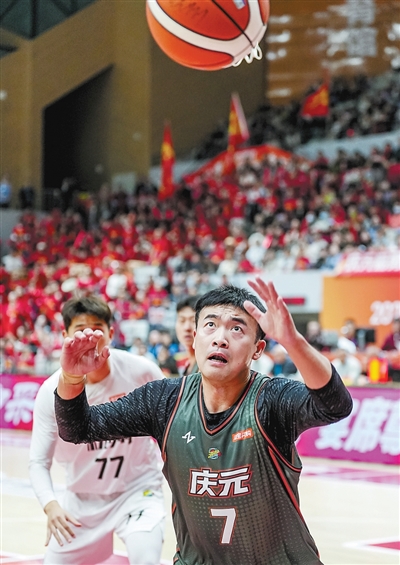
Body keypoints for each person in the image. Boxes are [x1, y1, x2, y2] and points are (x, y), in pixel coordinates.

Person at [54, 279, 353, 565]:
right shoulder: (163, 400)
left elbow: (335, 405)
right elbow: (79, 428)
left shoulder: (271, 399)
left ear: (258, 349)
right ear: (195, 339)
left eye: (237, 329)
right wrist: (71, 377)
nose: (220, 338)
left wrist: (293, 342)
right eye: (210, 325)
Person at [29, 295, 166, 565]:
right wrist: (51, 505)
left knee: (147, 559)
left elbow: (170, 428)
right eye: (80, 330)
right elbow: (38, 462)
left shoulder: (143, 372)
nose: (89, 337)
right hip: (82, 499)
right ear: (65, 335)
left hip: (138, 490)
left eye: (97, 329)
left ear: (111, 333)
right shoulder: (49, 392)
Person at [174, 295, 200, 376]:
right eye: (182, 320)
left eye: (193, 321)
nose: (187, 327)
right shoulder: (188, 365)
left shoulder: (206, 366)